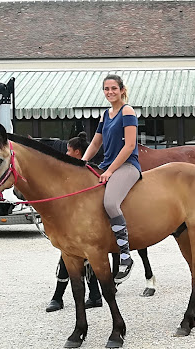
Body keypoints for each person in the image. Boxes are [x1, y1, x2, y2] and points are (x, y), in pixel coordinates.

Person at [82, 74, 141, 284]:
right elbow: (96, 143)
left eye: (114, 88)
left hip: (127, 166)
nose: (110, 92)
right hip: (107, 166)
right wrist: (82, 162)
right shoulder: (105, 115)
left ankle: (125, 256)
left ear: (122, 89)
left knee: (110, 203)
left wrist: (110, 171)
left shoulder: (128, 111)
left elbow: (129, 146)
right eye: (106, 89)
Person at [46, 132, 103, 312]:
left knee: (70, 256)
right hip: (74, 221)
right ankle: (94, 295)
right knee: (82, 257)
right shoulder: (70, 172)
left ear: (78, 152)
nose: (67, 154)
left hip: (80, 222)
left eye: (69, 151)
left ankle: (58, 297)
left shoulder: (86, 173)